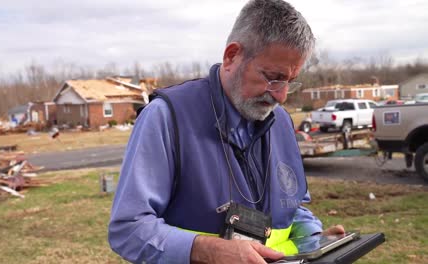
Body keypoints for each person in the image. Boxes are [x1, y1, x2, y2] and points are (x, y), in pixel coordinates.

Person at [108, 0, 344, 263]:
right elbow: (128, 229)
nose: (281, 96)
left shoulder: (282, 123)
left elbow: (291, 209)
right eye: (272, 78)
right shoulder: (166, 117)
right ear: (232, 56)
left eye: (290, 81)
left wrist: (314, 240)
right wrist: (208, 250)